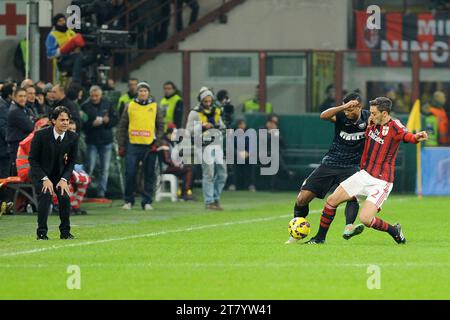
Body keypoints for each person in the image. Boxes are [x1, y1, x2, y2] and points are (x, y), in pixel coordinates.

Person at [306, 97, 428, 245]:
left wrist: (416, 137)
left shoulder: (395, 126)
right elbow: (327, 116)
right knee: (332, 201)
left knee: (365, 219)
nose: (371, 115)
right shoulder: (371, 122)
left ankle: (394, 230)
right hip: (364, 175)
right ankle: (319, 238)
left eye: (374, 113)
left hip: (381, 182)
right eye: (370, 112)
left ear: (384, 114)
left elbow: (406, 136)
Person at [285, 93, 368, 244]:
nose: (348, 113)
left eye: (351, 109)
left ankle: (349, 227)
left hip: (352, 166)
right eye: (346, 109)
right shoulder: (341, 115)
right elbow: (323, 116)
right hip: (330, 163)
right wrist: (344, 107)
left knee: (352, 195)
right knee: (302, 198)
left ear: (359, 107)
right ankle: (297, 230)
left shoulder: (369, 118)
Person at [29, 106, 79, 240]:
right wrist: (44, 178)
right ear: (53, 121)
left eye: (67, 120)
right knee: (46, 194)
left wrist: (64, 180)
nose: (65, 123)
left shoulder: (73, 137)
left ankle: (65, 232)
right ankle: (42, 233)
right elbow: (32, 160)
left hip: (59, 175)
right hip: (40, 173)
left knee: (64, 196)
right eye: (62, 120)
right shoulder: (40, 135)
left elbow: (71, 162)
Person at [117, 82, 164, 210]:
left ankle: (147, 201)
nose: (143, 93)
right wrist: (121, 145)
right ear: (137, 92)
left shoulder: (155, 106)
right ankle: (128, 201)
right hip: (132, 144)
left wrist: (157, 143)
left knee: (149, 174)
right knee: (130, 173)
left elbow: (160, 126)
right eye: (140, 91)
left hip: (150, 145)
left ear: (148, 92)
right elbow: (122, 126)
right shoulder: (129, 106)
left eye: (145, 91)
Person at [187, 88, 227, 210]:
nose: (208, 103)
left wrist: (221, 128)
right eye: (205, 101)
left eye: (210, 101)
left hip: (216, 144)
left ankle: (216, 198)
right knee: (208, 174)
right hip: (203, 145)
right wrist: (202, 126)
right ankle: (209, 201)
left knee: (222, 173)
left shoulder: (216, 111)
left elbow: (222, 127)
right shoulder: (194, 113)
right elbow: (188, 130)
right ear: (201, 100)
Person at [81, 85, 119, 198]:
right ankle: (83, 192)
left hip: (106, 141)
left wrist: (108, 121)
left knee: (105, 169)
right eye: (92, 96)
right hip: (91, 140)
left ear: (101, 95)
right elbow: (82, 124)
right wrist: (91, 124)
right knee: (89, 167)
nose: (94, 98)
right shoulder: (85, 106)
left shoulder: (108, 104)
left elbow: (115, 120)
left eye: (96, 96)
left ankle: (101, 193)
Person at [45, 14, 85, 83]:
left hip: (75, 60)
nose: (63, 22)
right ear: (55, 23)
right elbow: (49, 54)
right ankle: (75, 81)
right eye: (60, 21)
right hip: (62, 62)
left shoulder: (71, 32)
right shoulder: (52, 36)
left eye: (63, 20)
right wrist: (62, 50)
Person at [159, 124, 194, 200]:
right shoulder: (164, 142)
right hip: (165, 167)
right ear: (169, 134)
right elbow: (167, 160)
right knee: (188, 169)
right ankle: (184, 193)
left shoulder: (172, 142)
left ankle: (183, 192)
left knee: (188, 167)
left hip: (171, 166)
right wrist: (178, 165)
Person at [6, 88, 34, 175]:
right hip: (16, 146)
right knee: (17, 172)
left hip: (22, 146)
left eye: (25, 96)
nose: (23, 98)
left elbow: (33, 119)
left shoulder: (24, 108)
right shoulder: (15, 111)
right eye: (20, 96)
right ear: (14, 97)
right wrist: (32, 121)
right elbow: (30, 126)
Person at [67, 120, 90, 215]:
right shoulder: (60, 141)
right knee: (67, 180)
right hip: (61, 170)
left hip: (74, 168)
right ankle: (74, 206)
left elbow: (79, 159)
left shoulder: (76, 141)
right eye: (70, 129)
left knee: (86, 180)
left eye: (74, 129)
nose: (72, 131)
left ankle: (76, 206)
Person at [228, 119, 257, 192]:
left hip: (248, 155)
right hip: (236, 155)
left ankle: (251, 185)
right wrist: (238, 153)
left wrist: (247, 153)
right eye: (240, 124)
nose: (242, 126)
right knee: (234, 163)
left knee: (251, 162)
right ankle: (233, 184)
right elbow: (231, 146)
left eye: (243, 124)